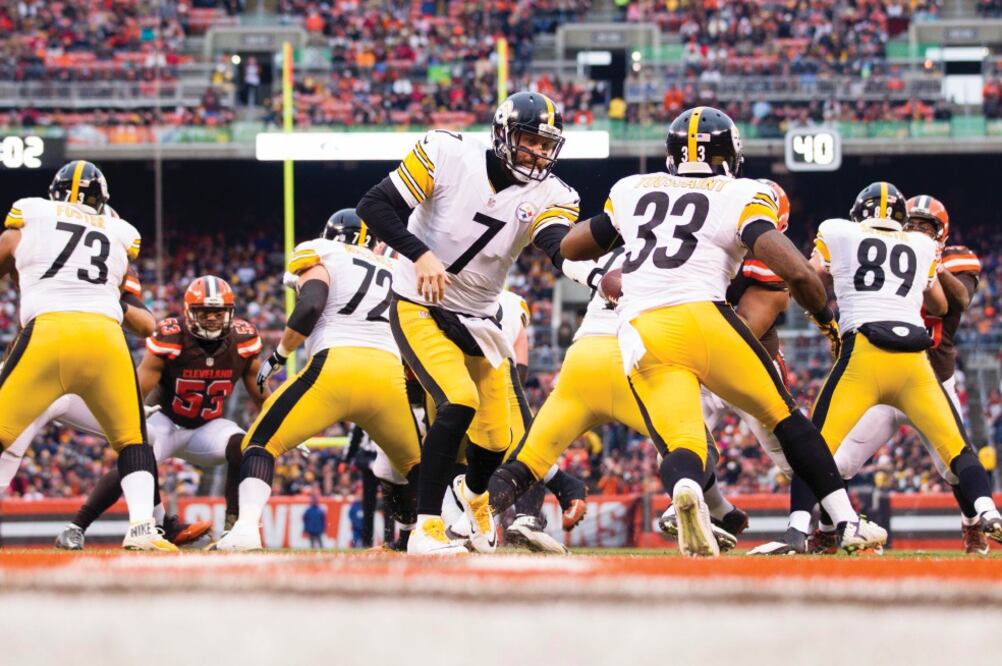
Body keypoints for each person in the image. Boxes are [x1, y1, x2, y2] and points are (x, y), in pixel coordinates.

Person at [554, 106, 886, 556]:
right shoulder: (741, 192)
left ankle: (686, 490)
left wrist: (620, 240)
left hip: (642, 328)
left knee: (683, 441)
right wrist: (827, 321)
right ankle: (845, 522)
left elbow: (571, 246)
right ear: (731, 154)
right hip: (706, 318)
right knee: (785, 418)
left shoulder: (632, 189)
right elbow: (802, 277)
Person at [357, 91, 599, 554]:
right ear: (504, 135)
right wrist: (420, 254)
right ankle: (426, 529)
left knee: (496, 438)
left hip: (479, 317)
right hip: (420, 299)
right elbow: (374, 205)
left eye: (547, 146)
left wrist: (590, 269)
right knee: (458, 401)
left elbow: (554, 242)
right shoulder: (447, 154)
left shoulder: (554, 194)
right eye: (530, 141)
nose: (538, 154)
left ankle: (472, 494)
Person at [757, 183, 1002, 554]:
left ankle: (796, 531)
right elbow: (938, 304)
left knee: (817, 445)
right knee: (950, 452)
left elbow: (808, 278)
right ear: (902, 220)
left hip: (876, 359)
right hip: (915, 365)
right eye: (915, 222)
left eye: (928, 225)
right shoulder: (922, 250)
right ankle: (987, 511)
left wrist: (823, 312)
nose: (921, 231)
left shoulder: (842, 231)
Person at [210, 209, 423, 551]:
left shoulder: (324, 252)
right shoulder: (396, 269)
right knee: (417, 465)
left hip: (335, 367)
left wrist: (279, 355)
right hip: (387, 374)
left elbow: (310, 305)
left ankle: (247, 528)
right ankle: (425, 534)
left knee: (260, 442)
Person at [0, 160, 174, 551]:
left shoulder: (31, 215)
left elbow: (11, 252)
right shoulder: (119, 231)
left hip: (47, 333)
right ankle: (144, 529)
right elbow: (141, 318)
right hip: (105, 338)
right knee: (134, 442)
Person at [53, 275, 266, 549]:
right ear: (190, 312)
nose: (212, 319)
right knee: (137, 454)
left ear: (230, 313)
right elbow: (138, 389)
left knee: (244, 445)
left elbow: (261, 395)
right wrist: (133, 417)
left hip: (207, 427)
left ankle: (234, 528)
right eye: (205, 312)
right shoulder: (171, 336)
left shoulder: (243, 341)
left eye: (218, 312)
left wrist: (282, 423)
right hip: (163, 420)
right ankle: (76, 527)